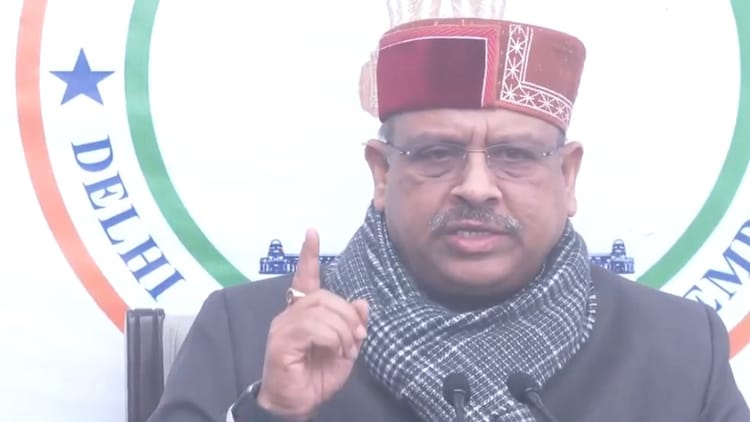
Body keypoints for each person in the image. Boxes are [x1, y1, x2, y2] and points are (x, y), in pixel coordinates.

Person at [145, 11, 750, 422]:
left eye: (515, 156)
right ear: (382, 173)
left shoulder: (677, 345)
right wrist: (272, 412)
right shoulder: (249, 333)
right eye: (437, 154)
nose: (476, 188)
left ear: (567, 177)